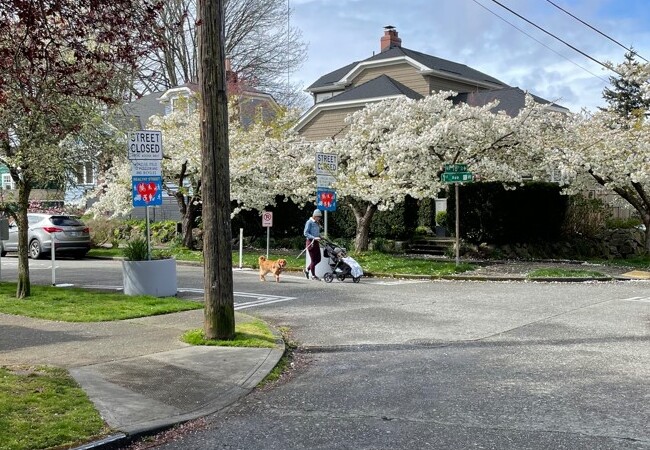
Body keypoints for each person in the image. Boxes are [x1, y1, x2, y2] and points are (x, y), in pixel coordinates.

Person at [303, 209, 323, 280]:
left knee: (318, 259)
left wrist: (320, 236)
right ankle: (313, 275)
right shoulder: (309, 222)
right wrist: (314, 237)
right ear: (315, 216)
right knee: (313, 260)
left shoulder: (316, 223)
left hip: (316, 242)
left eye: (320, 217)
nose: (319, 218)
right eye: (318, 217)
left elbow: (316, 232)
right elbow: (306, 233)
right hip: (311, 243)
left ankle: (307, 270)